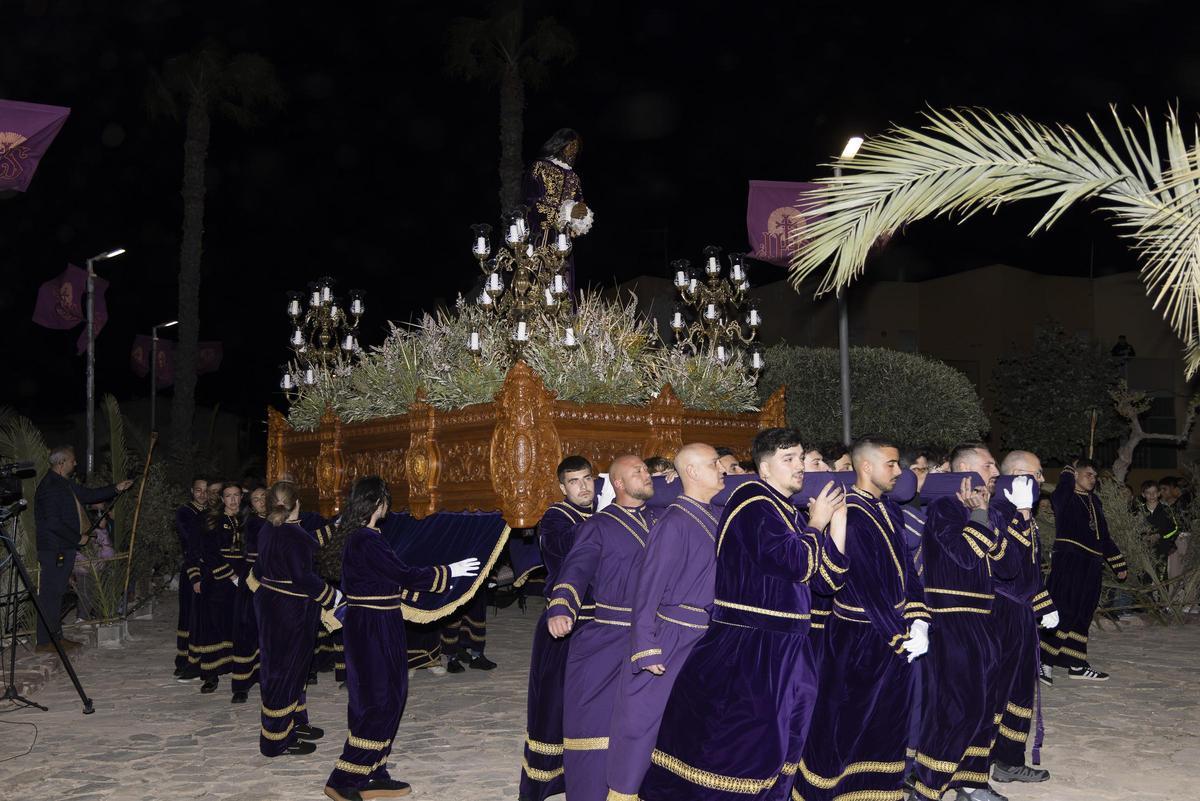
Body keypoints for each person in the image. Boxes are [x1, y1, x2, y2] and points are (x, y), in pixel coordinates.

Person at [640, 428, 848, 801]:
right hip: (749, 649)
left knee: (782, 746)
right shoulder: (752, 502)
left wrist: (839, 520)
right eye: (789, 459)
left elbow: (828, 581)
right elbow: (794, 562)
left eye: (801, 458)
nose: (799, 466)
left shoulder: (790, 514)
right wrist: (817, 523)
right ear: (764, 469)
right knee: (737, 752)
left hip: (790, 648)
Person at [324, 477, 480, 801]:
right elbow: (404, 574)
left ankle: (373, 772)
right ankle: (344, 778)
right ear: (377, 502)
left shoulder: (367, 537)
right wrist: (449, 572)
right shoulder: (366, 540)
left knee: (390, 695)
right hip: (372, 627)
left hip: (379, 623)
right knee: (378, 700)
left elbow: (388, 579)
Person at [795, 437, 928, 801]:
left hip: (891, 632)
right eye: (892, 464)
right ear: (866, 467)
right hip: (856, 638)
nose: (899, 472)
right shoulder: (850, 511)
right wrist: (899, 636)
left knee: (885, 723)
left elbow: (907, 570)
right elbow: (867, 586)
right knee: (844, 723)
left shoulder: (890, 509)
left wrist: (919, 618)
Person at [606, 443, 726, 799]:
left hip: (709, 637)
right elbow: (648, 588)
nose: (722, 468)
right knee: (642, 722)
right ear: (691, 472)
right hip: (672, 637)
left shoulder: (717, 514)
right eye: (714, 463)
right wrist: (646, 646)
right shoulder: (674, 521)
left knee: (695, 725)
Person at [543, 454, 658, 801]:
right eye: (638, 471)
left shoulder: (662, 520)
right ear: (619, 483)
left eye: (647, 470)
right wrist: (562, 607)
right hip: (610, 635)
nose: (647, 475)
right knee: (597, 722)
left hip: (657, 635)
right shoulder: (599, 525)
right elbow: (576, 569)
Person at [910, 443, 1020, 801]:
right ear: (965, 471)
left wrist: (988, 516)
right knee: (958, 708)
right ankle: (927, 787)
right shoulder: (945, 509)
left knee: (984, 707)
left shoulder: (988, 509)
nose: (995, 473)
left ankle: (970, 783)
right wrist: (979, 518)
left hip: (984, 621)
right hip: (952, 621)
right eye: (988, 466)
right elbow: (964, 557)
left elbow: (1009, 568)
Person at [519, 455, 596, 801]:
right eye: (575, 482)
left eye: (588, 479)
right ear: (562, 487)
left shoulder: (601, 514)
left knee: (590, 707)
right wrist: (609, 520)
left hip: (601, 626)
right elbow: (563, 550)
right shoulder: (555, 518)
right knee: (554, 706)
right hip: (564, 624)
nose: (584, 487)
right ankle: (541, 784)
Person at [253, 481, 340, 758]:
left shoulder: (270, 528)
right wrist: (335, 599)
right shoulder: (293, 536)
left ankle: (295, 722)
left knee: (295, 667)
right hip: (290, 609)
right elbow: (304, 577)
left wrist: (336, 526)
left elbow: (304, 544)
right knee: (283, 671)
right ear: (297, 504)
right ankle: (275, 740)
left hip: (272, 603)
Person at [989, 451, 1058, 785]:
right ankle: (979, 761)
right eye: (1038, 473)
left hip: (1021, 612)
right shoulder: (998, 510)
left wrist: (1044, 604)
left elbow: (1031, 570)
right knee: (996, 689)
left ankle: (1009, 759)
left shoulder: (1025, 513)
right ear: (1017, 475)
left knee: (1019, 688)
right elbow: (1007, 565)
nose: (1042, 480)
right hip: (999, 612)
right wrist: (1020, 514)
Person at [32, 446, 132, 652]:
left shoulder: (64, 483)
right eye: (72, 460)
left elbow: (88, 495)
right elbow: (52, 523)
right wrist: (78, 538)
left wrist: (116, 488)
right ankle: (44, 642)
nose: (75, 463)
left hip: (63, 547)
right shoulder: (50, 486)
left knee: (57, 593)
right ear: (61, 463)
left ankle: (55, 638)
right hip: (55, 549)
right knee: (51, 594)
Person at [1038, 459, 1127, 682]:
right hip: (1070, 561)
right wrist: (1069, 469)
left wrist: (1118, 563)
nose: (1093, 479)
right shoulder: (1064, 497)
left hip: (1092, 565)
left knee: (1083, 613)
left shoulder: (1094, 501)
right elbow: (1060, 494)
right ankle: (1043, 660)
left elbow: (1103, 537)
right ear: (1075, 475)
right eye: (1088, 474)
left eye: (1095, 476)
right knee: (1063, 610)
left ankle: (1075, 663)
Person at [523, 127, 592, 297]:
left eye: (577, 147)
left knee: (562, 286)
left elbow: (578, 204)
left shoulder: (574, 177)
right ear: (560, 144)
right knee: (538, 282)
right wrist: (567, 212)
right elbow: (531, 203)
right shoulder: (540, 167)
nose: (573, 150)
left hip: (563, 240)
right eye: (571, 144)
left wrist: (581, 214)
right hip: (540, 235)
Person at [190, 482, 242, 694]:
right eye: (228, 496)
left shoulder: (247, 520)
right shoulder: (213, 521)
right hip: (219, 582)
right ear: (222, 499)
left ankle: (242, 671)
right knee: (213, 627)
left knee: (239, 627)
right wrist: (231, 575)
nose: (233, 499)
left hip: (243, 581)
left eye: (236, 495)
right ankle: (210, 675)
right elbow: (210, 553)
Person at [230, 486, 267, 703]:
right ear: (250, 503)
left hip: (271, 581)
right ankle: (241, 685)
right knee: (246, 631)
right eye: (256, 498)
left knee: (267, 632)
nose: (261, 500)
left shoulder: (277, 520)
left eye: (264, 496)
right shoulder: (252, 523)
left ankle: (265, 677)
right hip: (253, 580)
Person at [173, 477, 207, 678]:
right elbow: (189, 539)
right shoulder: (185, 512)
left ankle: (202, 657)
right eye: (198, 490)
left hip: (208, 568)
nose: (202, 494)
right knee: (188, 615)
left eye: (205, 491)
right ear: (192, 491)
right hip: (192, 568)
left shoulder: (211, 512)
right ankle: (184, 658)